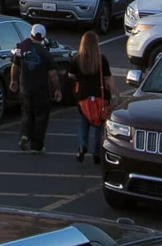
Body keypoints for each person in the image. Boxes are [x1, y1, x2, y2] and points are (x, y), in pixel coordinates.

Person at [10, 23, 61, 152]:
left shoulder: (22, 48)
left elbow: (14, 66)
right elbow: (53, 74)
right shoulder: (45, 53)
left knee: (27, 113)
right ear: (43, 38)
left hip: (25, 89)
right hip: (41, 91)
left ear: (31, 34)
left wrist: (13, 80)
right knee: (41, 117)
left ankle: (25, 135)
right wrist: (57, 90)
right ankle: (37, 146)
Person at [70, 29, 113, 164]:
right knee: (100, 124)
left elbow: (71, 76)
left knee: (84, 121)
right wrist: (116, 94)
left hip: (83, 95)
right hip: (100, 96)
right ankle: (97, 153)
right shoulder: (101, 59)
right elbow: (108, 78)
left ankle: (82, 145)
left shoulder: (77, 59)